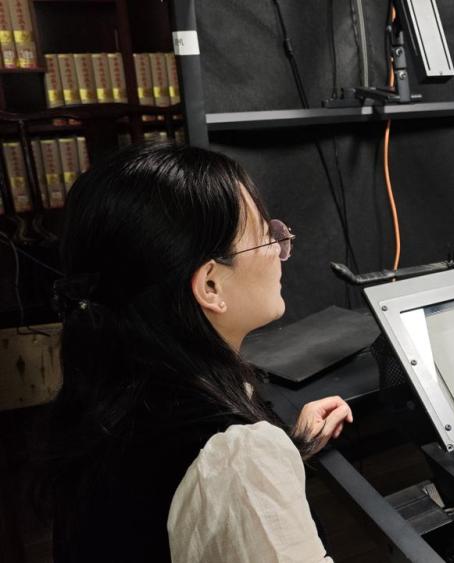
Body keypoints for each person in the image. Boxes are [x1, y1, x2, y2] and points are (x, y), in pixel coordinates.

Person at [42, 143, 351, 562]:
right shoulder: (237, 457)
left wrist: (286, 445)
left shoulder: (112, 393)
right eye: (266, 236)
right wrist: (255, 459)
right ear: (210, 285)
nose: (281, 246)